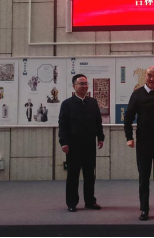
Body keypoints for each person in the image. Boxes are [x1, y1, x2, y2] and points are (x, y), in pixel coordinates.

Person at [124, 67, 154, 221]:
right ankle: (144, 209)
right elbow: (128, 117)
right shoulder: (137, 94)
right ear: (145, 76)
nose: (152, 79)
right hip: (144, 142)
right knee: (144, 177)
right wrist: (129, 137)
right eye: (149, 76)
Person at [59, 74, 105, 213]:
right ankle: (71, 202)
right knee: (73, 175)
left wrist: (100, 137)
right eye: (81, 84)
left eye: (86, 83)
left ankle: (90, 201)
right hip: (73, 145)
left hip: (89, 144)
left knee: (90, 175)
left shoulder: (92, 102)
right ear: (74, 86)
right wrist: (63, 142)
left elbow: (98, 121)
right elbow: (63, 124)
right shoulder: (67, 104)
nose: (84, 86)